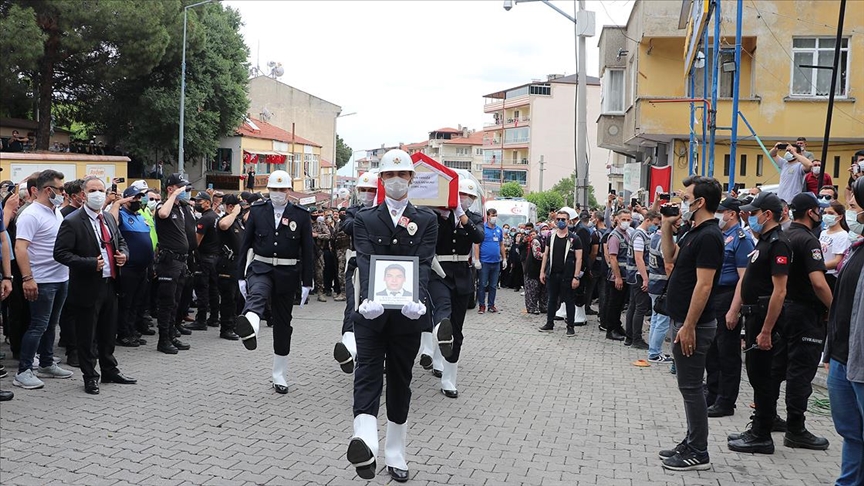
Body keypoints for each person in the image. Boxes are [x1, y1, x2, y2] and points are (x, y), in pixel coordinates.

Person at [346, 149, 437, 483]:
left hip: (407, 318)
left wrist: (418, 301)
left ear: (411, 179)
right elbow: (366, 261)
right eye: (389, 176)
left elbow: (423, 264)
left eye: (402, 175)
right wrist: (369, 299)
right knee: (367, 375)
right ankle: (366, 443)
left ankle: (396, 453)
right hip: (372, 315)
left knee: (400, 382)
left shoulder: (426, 220)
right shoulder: (365, 219)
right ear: (382, 180)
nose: (396, 181)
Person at [658, 175, 724, 471]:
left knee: (692, 387)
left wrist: (689, 325)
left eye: (686, 198)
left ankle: (699, 451)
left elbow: (704, 285)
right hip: (682, 320)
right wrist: (666, 225)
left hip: (693, 325)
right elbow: (669, 256)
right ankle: (691, 440)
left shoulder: (710, 235)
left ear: (701, 202)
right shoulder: (692, 231)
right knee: (688, 386)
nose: (682, 202)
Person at [53, 177, 136, 395]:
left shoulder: (108, 217)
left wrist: (123, 255)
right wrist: (89, 263)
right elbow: (60, 253)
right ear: (83, 194)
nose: (98, 193)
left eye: (101, 189)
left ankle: (110, 370)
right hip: (87, 286)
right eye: (93, 190)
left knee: (108, 332)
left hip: (111, 283)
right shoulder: (72, 221)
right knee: (87, 334)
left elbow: (122, 242)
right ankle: (90, 376)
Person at [234, 170, 314, 394]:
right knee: (257, 294)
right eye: (274, 189)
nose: (278, 193)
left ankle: (279, 374)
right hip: (261, 266)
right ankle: (250, 324)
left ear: (289, 190)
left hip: (288, 271)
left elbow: (308, 250)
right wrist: (240, 275)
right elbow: (245, 245)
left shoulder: (301, 214)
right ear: (268, 190)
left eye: (282, 189)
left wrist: (307, 282)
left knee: (283, 324)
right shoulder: (258, 212)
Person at [727, 191, 791, 454]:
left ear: (767, 215)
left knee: (763, 377)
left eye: (754, 213)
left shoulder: (778, 244)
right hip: (753, 315)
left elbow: (780, 291)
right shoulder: (763, 241)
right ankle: (759, 426)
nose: (749, 217)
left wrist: (766, 330)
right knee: (756, 374)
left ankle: (762, 434)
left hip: (766, 319)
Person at [773, 192, 832, 450]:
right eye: (820, 210)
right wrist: (836, 308)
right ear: (811, 212)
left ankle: (766, 418)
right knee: (801, 372)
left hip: (785, 310)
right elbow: (819, 283)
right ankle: (796, 429)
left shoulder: (784, 235)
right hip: (805, 314)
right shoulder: (808, 240)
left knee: (778, 367)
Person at [12, 170, 75, 390]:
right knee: (38, 325)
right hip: (42, 280)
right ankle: (24, 371)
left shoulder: (55, 211)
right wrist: (28, 278)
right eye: (61, 189)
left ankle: (46, 362)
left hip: (60, 277)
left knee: (50, 324)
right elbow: (20, 248)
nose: (63, 193)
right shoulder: (31, 214)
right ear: (49, 190)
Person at [423, 177, 485, 397]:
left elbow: (479, 237)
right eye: (460, 196)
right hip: (439, 272)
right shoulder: (436, 216)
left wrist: (462, 215)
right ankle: (434, 343)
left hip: (462, 275)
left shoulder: (474, 218)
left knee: (456, 330)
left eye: (469, 197)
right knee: (443, 312)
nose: (464, 200)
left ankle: (449, 378)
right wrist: (444, 214)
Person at [823, 177, 864, 486]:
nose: (849, 206)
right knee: (850, 432)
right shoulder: (856, 247)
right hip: (841, 356)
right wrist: (829, 350)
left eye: (855, 202)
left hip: (861, 363)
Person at [704, 197, 755, 417]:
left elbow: (744, 278)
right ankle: (713, 393)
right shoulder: (721, 236)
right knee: (711, 350)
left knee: (727, 352)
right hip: (714, 296)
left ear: (731, 214)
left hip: (728, 296)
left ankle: (726, 401)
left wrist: (734, 309)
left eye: (720, 211)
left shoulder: (741, 239)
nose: (717, 215)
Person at [333, 171, 378, 373]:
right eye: (363, 190)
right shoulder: (353, 211)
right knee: (353, 306)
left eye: (371, 190)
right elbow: (348, 226)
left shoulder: (384, 212)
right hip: (357, 264)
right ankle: (349, 348)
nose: (367, 194)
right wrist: (372, 217)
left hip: (380, 267)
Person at [153, 174, 194, 354]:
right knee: (167, 302)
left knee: (175, 302)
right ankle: (163, 340)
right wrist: (172, 196)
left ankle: (171, 335)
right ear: (170, 189)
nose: (184, 191)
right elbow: (162, 213)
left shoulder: (179, 208)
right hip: (169, 262)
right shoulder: (164, 206)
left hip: (180, 262)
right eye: (180, 188)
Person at [115, 186, 154, 347]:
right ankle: (123, 333)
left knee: (137, 302)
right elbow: (112, 222)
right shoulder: (121, 215)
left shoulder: (140, 216)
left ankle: (132, 330)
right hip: (128, 268)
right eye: (134, 198)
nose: (137, 201)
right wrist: (118, 203)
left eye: (139, 198)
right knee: (126, 303)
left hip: (142, 268)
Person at [538, 210, 583, 336]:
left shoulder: (574, 239)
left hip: (568, 276)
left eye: (563, 219)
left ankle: (570, 326)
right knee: (552, 299)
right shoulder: (551, 237)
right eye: (558, 219)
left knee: (569, 301)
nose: (561, 222)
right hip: (552, 274)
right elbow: (546, 255)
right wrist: (542, 272)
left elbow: (579, 258)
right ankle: (549, 323)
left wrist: (576, 277)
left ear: (568, 221)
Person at [624, 209, 660, 349]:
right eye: (655, 224)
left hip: (635, 275)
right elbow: (638, 258)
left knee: (633, 306)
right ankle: (636, 339)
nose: (656, 226)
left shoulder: (640, 233)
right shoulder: (639, 235)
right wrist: (645, 279)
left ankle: (630, 336)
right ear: (648, 220)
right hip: (638, 276)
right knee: (640, 308)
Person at [187, 192, 221, 330]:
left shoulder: (205, 219)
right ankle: (213, 317)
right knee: (213, 289)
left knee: (202, 289)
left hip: (205, 258)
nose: (197, 204)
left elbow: (196, 242)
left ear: (208, 202)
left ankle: (201, 320)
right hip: (215, 258)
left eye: (199, 201)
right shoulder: (216, 217)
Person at [602, 209, 631, 341]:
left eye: (628, 219)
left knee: (619, 304)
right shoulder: (615, 236)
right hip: (616, 277)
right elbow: (613, 258)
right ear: (617, 220)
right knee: (613, 304)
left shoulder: (627, 234)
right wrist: (618, 277)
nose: (626, 222)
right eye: (623, 219)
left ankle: (617, 326)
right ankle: (611, 329)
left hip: (625, 276)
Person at [475, 208, 505, 314]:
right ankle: (482, 306)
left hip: (496, 262)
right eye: (492, 215)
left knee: (493, 285)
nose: (494, 217)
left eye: (496, 215)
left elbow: (501, 244)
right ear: (487, 216)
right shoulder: (482, 229)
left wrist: (504, 258)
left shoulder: (498, 229)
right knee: (482, 284)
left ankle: (491, 305)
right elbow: (477, 245)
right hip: (484, 262)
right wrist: (477, 259)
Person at [819, 201, 850, 290]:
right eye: (825, 213)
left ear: (840, 217)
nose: (826, 215)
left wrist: (817, 266)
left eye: (831, 213)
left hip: (831, 276)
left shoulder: (843, 235)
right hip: (821, 273)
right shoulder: (823, 232)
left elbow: (837, 261)